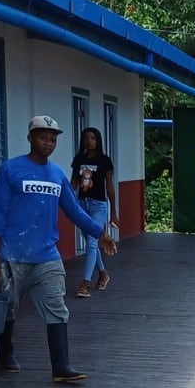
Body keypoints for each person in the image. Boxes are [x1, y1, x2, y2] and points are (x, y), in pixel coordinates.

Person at [0, 115, 116, 383]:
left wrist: (100, 233)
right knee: (8, 307)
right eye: (43, 137)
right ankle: (6, 351)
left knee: (57, 306)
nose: (49, 143)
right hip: (13, 254)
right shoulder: (11, 169)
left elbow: (74, 210)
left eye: (53, 139)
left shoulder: (57, 174)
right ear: (30, 138)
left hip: (47, 255)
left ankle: (61, 367)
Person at [69, 126, 117, 298]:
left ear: (98, 141)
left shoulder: (104, 160)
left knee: (91, 241)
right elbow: (73, 184)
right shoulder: (78, 159)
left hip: (98, 205)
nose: (89, 141)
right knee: (91, 242)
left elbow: (109, 186)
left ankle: (85, 284)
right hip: (82, 205)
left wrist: (113, 211)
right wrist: (68, 202)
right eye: (86, 138)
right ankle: (103, 273)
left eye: (93, 138)